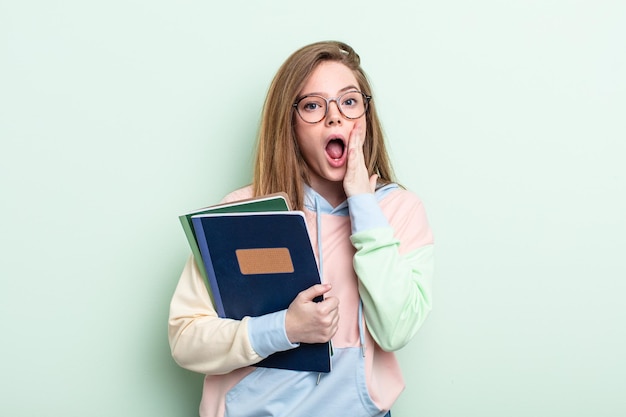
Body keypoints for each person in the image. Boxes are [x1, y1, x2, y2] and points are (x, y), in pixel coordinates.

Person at [168, 40, 435, 417]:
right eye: (312, 105)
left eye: (349, 101)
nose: (334, 117)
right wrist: (285, 328)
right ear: (289, 125)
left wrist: (362, 203)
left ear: (366, 116)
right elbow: (185, 340)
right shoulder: (241, 214)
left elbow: (396, 330)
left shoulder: (399, 210)